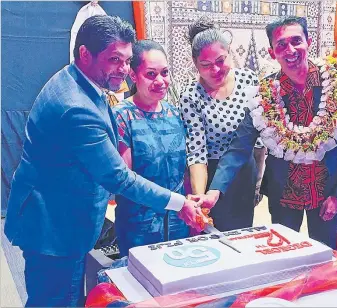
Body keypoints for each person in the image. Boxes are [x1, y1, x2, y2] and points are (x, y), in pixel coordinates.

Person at [4, 16, 203, 307]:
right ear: (85, 54)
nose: (123, 69)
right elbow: (119, 178)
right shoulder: (75, 108)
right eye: (114, 60)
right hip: (55, 227)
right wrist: (180, 202)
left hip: (56, 213)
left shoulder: (78, 81)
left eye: (126, 60)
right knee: (58, 299)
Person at [195, 16, 337, 250]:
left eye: (296, 41)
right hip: (284, 194)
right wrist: (214, 191)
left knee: (325, 257)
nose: (290, 50)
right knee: (286, 255)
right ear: (272, 53)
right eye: (281, 45)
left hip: (326, 193)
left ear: (308, 42)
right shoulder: (264, 95)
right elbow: (239, 148)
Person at [180, 17, 265, 232]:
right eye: (206, 65)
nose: (216, 70)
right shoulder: (191, 95)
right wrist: (202, 198)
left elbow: (258, 137)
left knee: (242, 234)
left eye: (221, 60)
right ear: (194, 63)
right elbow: (197, 151)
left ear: (229, 52)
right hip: (208, 173)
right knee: (211, 236)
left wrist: (258, 180)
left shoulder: (249, 80)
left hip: (244, 170)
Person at [112, 40, 191, 256]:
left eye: (165, 73)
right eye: (151, 74)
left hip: (178, 221)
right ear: (134, 76)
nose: (161, 81)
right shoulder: (121, 116)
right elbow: (125, 181)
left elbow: (184, 169)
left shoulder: (175, 114)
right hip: (139, 225)